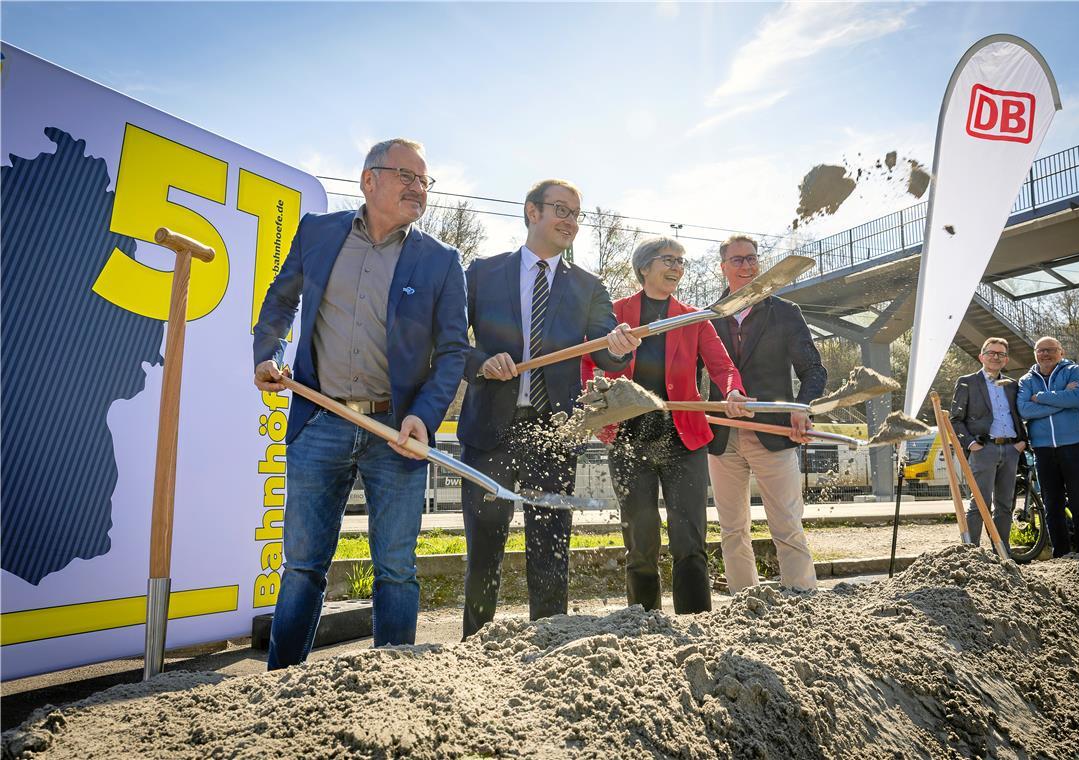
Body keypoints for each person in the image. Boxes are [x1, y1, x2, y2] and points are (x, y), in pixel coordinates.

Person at [253, 138, 468, 669]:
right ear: (369, 180)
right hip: (319, 420)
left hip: (395, 432)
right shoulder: (318, 233)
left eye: (425, 180)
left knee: (396, 565)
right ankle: (277, 686)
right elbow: (281, 300)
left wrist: (423, 416)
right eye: (407, 176)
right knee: (302, 564)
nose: (419, 188)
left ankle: (390, 688)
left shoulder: (440, 260)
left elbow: (454, 350)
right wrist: (268, 352)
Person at [458, 179, 639, 638]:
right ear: (531, 212)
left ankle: (549, 644)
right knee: (483, 550)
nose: (571, 222)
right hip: (488, 434)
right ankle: (474, 649)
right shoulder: (481, 273)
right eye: (561, 209)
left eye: (577, 214)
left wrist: (619, 345)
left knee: (551, 547)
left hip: (554, 434)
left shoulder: (588, 286)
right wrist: (481, 363)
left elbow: (607, 353)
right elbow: (450, 346)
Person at [583, 237, 751, 613]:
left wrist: (733, 392)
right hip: (629, 438)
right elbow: (589, 366)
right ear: (644, 267)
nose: (677, 267)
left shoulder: (693, 317)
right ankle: (643, 622)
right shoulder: (614, 315)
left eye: (681, 261)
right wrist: (595, 398)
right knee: (640, 544)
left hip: (683, 439)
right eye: (668, 260)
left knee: (689, 541)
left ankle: (695, 622)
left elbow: (724, 369)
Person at [706, 235, 827, 592]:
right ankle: (745, 603)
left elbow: (814, 370)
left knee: (787, 523)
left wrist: (802, 408)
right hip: (723, 437)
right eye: (738, 260)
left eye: (752, 259)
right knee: (731, 528)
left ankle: (804, 601)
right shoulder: (709, 318)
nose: (747, 266)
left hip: (775, 433)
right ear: (723, 266)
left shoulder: (785, 313)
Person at [949, 337, 1029, 554]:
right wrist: (971, 443)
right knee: (980, 504)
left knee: (1005, 505)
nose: (995, 357)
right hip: (984, 449)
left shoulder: (1013, 385)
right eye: (991, 353)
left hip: (1011, 450)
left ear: (1006, 360)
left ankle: (1002, 553)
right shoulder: (967, 382)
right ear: (981, 356)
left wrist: (1021, 443)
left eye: (1000, 354)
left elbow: (1022, 414)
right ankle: (971, 554)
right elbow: (955, 419)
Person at [1017, 336, 1079, 556]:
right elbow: (1024, 410)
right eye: (1040, 350)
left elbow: (1077, 399)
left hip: (1074, 445)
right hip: (1043, 449)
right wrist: (1060, 401)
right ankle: (1061, 554)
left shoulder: (1074, 371)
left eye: (1050, 349)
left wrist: (1040, 397)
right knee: (1052, 505)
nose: (1045, 354)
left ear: (1061, 352)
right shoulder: (1026, 380)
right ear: (1035, 353)